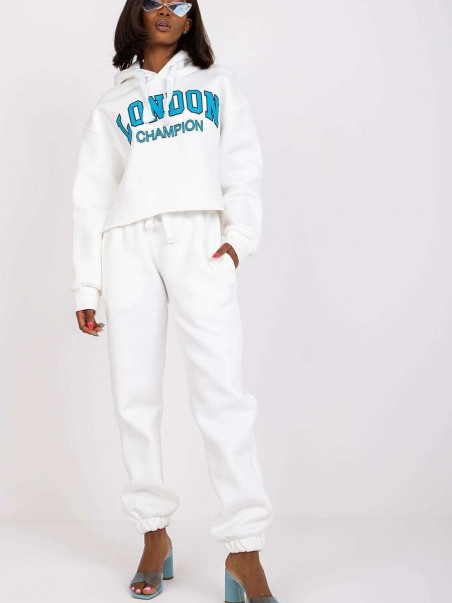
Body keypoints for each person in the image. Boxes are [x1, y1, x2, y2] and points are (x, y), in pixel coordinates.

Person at [71, 1, 279, 601]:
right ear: (137, 15)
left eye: (178, 4)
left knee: (223, 394)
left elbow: (242, 164)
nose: (165, 11)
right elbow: (91, 194)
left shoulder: (217, 85)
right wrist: (87, 284)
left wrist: (237, 240)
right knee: (134, 395)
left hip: (199, 240)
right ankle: (154, 534)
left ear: (191, 21)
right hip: (128, 245)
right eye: (154, 2)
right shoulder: (113, 103)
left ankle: (245, 550)